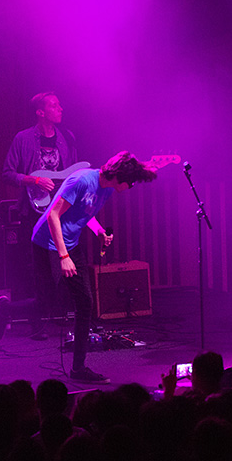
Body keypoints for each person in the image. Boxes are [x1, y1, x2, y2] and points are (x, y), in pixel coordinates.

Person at [32, 151, 157, 383]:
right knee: (46, 302)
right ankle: (8, 310)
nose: (131, 186)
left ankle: (78, 369)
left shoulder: (107, 188)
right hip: (47, 242)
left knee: (85, 302)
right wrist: (63, 256)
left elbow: (84, 212)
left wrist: (99, 231)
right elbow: (53, 216)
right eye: (131, 182)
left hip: (70, 243)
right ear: (119, 176)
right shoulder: (81, 180)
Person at [2, 92, 80, 339]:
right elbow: (7, 173)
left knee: (65, 264)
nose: (60, 108)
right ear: (41, 112)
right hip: (34, 212)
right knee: (37, 270)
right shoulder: (23, 139)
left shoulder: (67, 138)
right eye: (54, 105)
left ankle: (61, 315)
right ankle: (35, 322)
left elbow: (73, 173)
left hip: (62, 212)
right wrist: (34, 179)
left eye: (59, 103)